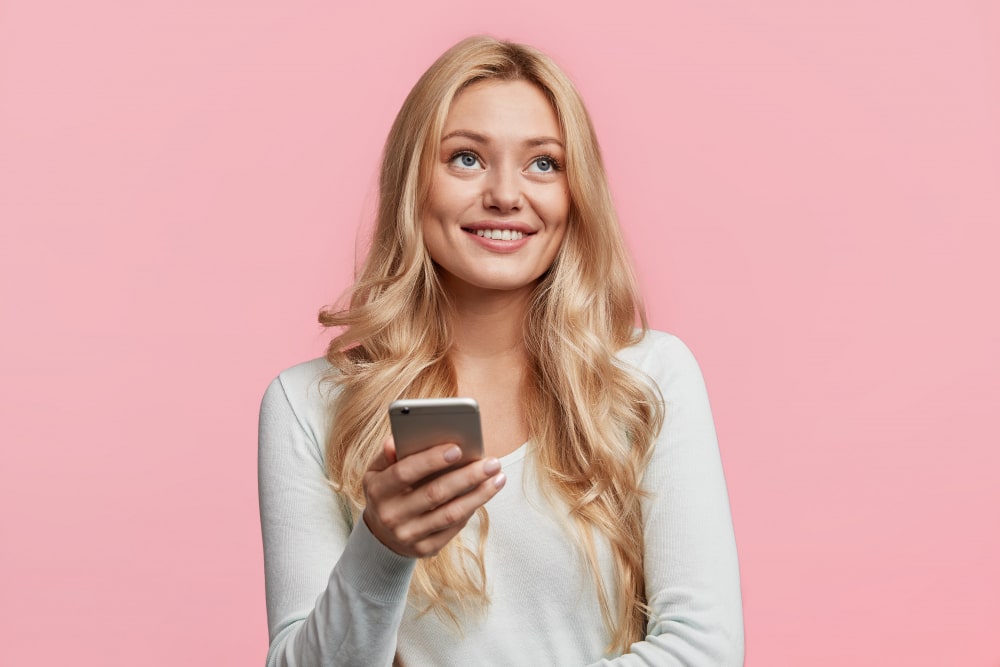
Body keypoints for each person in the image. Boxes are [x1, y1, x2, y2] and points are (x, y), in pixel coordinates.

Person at [258, 36, 744, 666]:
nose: (506, 195)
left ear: (576, 193)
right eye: (465, 158)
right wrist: (380, 549)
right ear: (413, 183)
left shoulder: (649, 377)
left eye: (544, 164)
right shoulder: (306, 405)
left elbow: (702, 652)